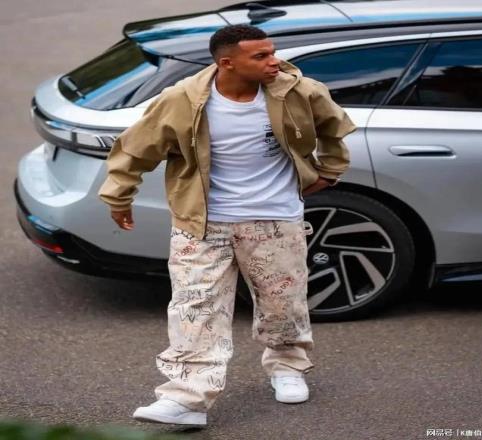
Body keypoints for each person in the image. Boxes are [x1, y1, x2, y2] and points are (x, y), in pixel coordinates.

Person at [98, 24, 357, 427]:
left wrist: (329, 171)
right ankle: (187, 399)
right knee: (194, 308)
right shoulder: (183, 99)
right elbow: (136, 148)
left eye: (272, 52)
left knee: (282, 304)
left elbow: (334, 128)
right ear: (227, 63)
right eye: (261, 56)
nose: (274, 62)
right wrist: (119, 196)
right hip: (202, 223)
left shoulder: (298, 91)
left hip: (275, 219)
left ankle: (287, 367)